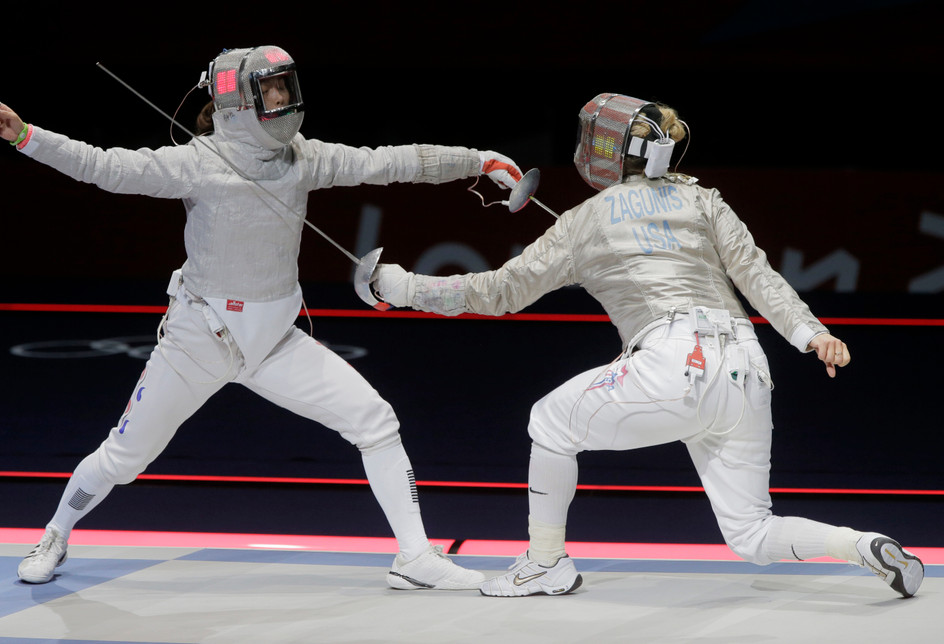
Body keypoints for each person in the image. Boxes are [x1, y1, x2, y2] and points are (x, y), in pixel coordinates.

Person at [0, 45, 523, 591]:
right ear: (237, 100)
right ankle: (55, 532)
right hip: (199, 341)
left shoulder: (304, 158)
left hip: (273, 342)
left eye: (286, 87)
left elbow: (391, 160)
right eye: (271, 90)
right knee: (124, 458)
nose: (284, 99)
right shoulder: (197, 163)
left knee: (375, 421)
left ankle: (414, 557)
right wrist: (27, 136)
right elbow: (103, 166)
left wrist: (476, 160)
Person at [372, 92, 925, 598]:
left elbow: (498, 291)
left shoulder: (584, 221)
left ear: (613, 151)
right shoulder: (703, 200)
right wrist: (813, 335)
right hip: (747, 368)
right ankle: (861, 545)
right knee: (752, 533)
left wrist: (404, 288)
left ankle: (546, 563)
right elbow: (757, 275)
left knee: (549, 421)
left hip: (676, 363)